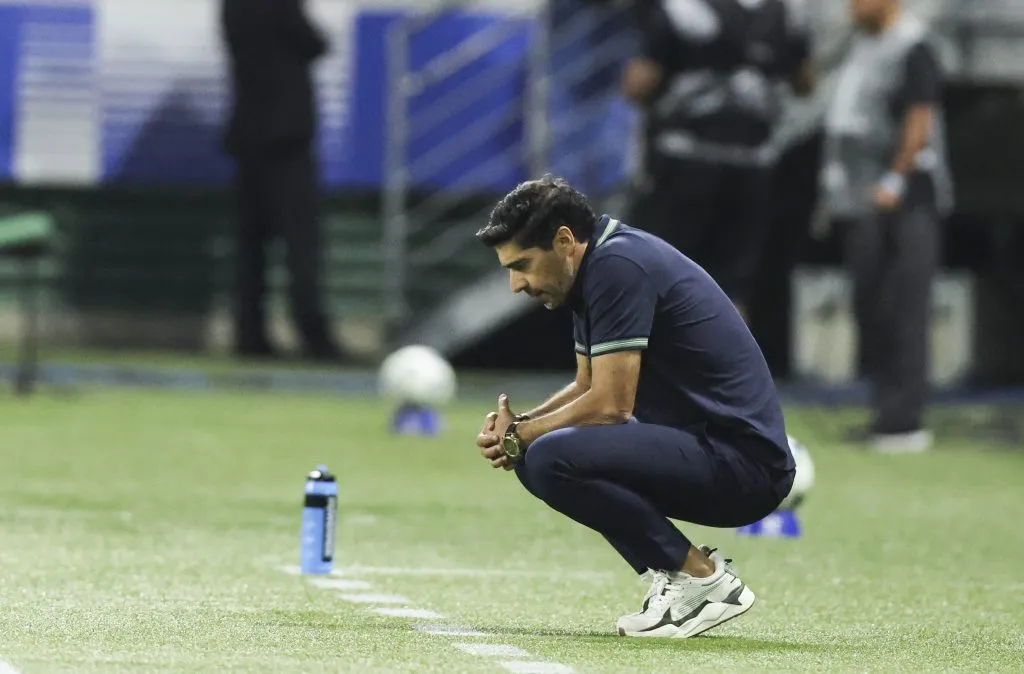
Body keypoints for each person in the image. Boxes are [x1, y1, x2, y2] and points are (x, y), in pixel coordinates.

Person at [473, 176, 795, 638]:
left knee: (547, 454)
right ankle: (678, 576)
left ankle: (703, 581)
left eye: (521, 264)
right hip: (711, 448)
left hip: (744, 463)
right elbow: (587, 383)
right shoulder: (598, 266)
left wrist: (524, 434)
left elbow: (610, 406)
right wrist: (521, 428)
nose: (515, 284)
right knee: (536, 454)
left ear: (564, 240)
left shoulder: (620, 266)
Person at [622, 0, 815, 321]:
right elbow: (805, 82)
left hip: (687, 158)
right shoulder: (787, 13)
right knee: (733, 283)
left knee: (665, 272)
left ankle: (661, 364)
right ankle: (727, 367)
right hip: (753, 163)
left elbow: (640, 84)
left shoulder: (683, 10)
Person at [821, 0, 953, 452]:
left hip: (905, 198)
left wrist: (896, 178)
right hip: (861, 198)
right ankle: (884, 411)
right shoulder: (859, 44)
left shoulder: (913, 45)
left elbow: (920, 115)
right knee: (872, 304)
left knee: (904, 305)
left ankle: (905, 420)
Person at [221, 0, 345, 361]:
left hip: (247, 138)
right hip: (288, 140)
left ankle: (250, 335)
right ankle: (313, 335)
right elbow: (315, 43)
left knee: (251, 249)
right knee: (301, 247)